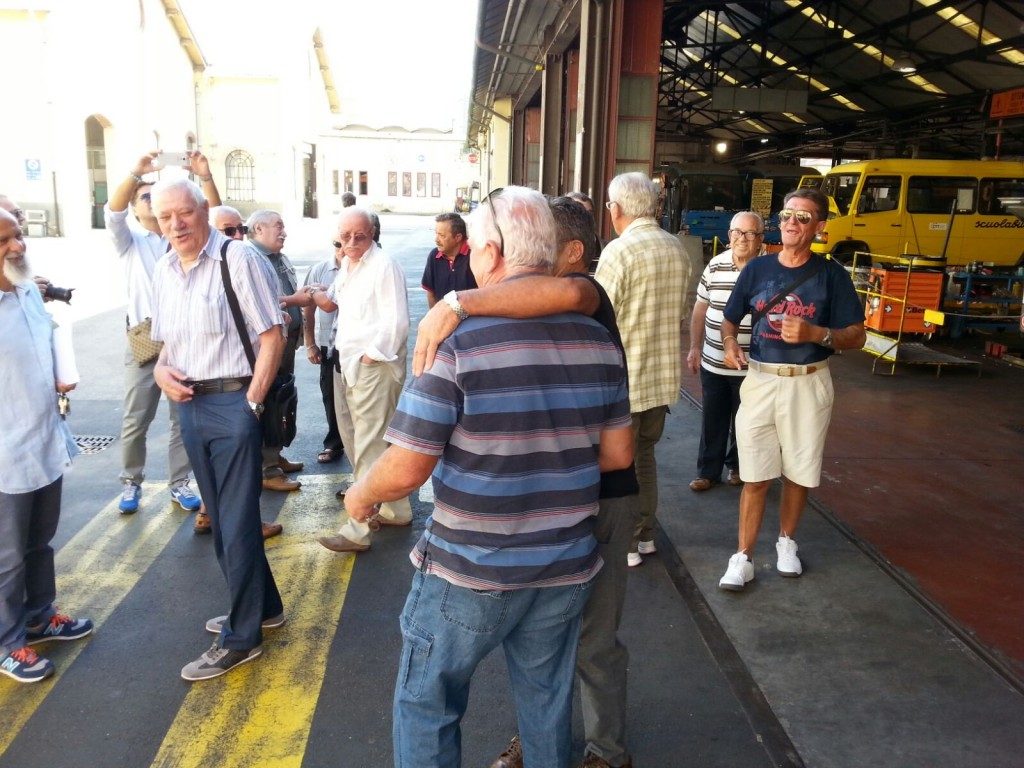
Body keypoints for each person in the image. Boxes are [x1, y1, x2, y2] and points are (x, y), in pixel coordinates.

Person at [342, 186, 634, 767]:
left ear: (492, 252)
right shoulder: (599, 340)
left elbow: (406, 468)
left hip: (470, 567)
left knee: (428, 703)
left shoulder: (456, 341)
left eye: (475, 247)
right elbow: (618, 455)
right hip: (564, 563)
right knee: (546, 701)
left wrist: (360, 493)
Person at [149, 179, 286, 681]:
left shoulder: (237, 258)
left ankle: (241, 636)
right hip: (189, 404)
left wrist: (251, 404)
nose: (176, 225)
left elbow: (273, 334)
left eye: (184, 213)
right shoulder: (164, 268)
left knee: (236, 521)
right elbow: (166, 346)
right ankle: (263, 608)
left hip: (233, 401)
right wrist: (161, 372)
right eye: (166, 217)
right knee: (222, 518)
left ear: (203, 209)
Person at [717, 189, 865, 591]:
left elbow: (857, 335)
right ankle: (743, 556)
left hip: (808, 382)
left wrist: (817, 333)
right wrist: (730, 344)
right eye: (786, 215)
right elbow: (730, 319)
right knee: (754, 473)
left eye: (803, 217)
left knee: (798, 471)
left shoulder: (832, 275)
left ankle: (786, 542)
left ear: (819, 227)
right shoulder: (757, 270)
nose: (791, 223)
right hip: (760, 380)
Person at [0, 208, 93, 683]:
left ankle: (39, 616)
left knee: (39, 543)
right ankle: (8, 642)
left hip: (43, 440)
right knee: (6, 557)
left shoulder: (26, 294)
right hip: (5, 457)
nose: (18, 247)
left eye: (18, 235)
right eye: (4, 241)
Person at [105, 151, 222, 516]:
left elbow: (215, 214)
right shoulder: (130, 241)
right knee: (136, 418)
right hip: (144, 339)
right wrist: (134, 173)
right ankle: (131, 481)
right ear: (138, 208)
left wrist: (204, 176)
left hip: (183, 338)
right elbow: (113, 211)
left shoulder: (182, 235)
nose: (151, 201)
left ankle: (179, 482)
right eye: (145, 197)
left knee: (181, 418)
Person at [595, 172, 689, 568]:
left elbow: (598, 316)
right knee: (645, 459)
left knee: (619, 465)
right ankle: (645, 535)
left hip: (624, 383)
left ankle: (627, 543)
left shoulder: (620, 251)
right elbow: (679, 313)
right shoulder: (677, 249)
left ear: (617, 209)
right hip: (660, 382)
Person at [305, 207, 411, 553]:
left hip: (374, 367)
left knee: (366, 446)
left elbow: (397, 323)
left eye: (359, 236)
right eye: (344, 236)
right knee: (376, 442)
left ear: (372, 234)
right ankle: (396, 509)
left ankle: (357, 530)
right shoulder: (349, 266)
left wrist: (370, 357)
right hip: (353, 364)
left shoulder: (384, 266)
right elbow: (332, 302)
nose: (351, 242)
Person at [204, 206, 284, 541]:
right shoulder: (194, 269)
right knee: (233, 463)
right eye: (228, 230)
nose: (238, 235)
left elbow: (266, 324)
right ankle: (229, 520)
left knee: (232, 461)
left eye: (241, 229)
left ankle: (217, 515)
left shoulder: (240, 261)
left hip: (237, 385)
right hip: (218, 388)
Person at [686, 211, 763, 493]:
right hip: (713, 361)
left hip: (752, 367)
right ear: (729, 236)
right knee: (712, 420)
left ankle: (738, 467)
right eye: (737, 232)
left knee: (746, 421)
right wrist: (695, 347)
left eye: (750, 233)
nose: (742, 239)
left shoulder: (767, 270)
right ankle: (708, 472)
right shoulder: (715, 265)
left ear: (760, 239)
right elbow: (700, 308)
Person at [245, 210, 304, 493]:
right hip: (267, 345)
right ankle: (267, 468)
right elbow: (260, 300)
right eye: (278, 226)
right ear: (258, 228)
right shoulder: (250, 259)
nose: (284, 232)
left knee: (282, 400)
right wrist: (295, 299)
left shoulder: (279, 257)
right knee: (268, 402)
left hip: (285, 341)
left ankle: (274, 454)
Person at [301, 241, 345, 466]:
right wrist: (310, 343)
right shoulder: (320, 270)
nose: (343, 247)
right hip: (330, 343)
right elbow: (307, 308)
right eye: (338, 242)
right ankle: (334, 443)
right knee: (331, 395)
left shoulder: (367, 268)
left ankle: (363, 445)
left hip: (359, 343)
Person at [420, 212, 476, 308]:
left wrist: (458, 314)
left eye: (442, 236)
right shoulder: (434, 256)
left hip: (473, 316)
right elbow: (431, 293)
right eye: (436, 234)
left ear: (458, 237)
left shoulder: (475, 255)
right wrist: (436, 315)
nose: (436, 240)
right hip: (442, 316)